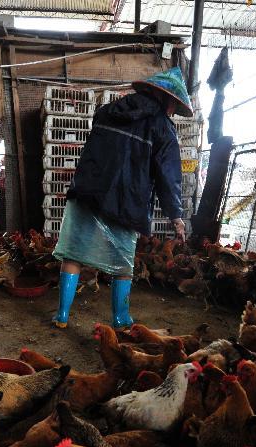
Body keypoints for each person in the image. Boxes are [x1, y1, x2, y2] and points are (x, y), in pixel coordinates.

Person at [52, 67, 191, 330]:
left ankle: (62, 315)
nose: (173, 111)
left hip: (87, 192)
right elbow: (168, 177)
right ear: (164, 98)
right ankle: (119, 318)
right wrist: (176, 217)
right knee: (123, 264)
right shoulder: (163, 129)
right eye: (174, 105)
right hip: (128, 201)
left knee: (73, 255)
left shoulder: (107, 111)